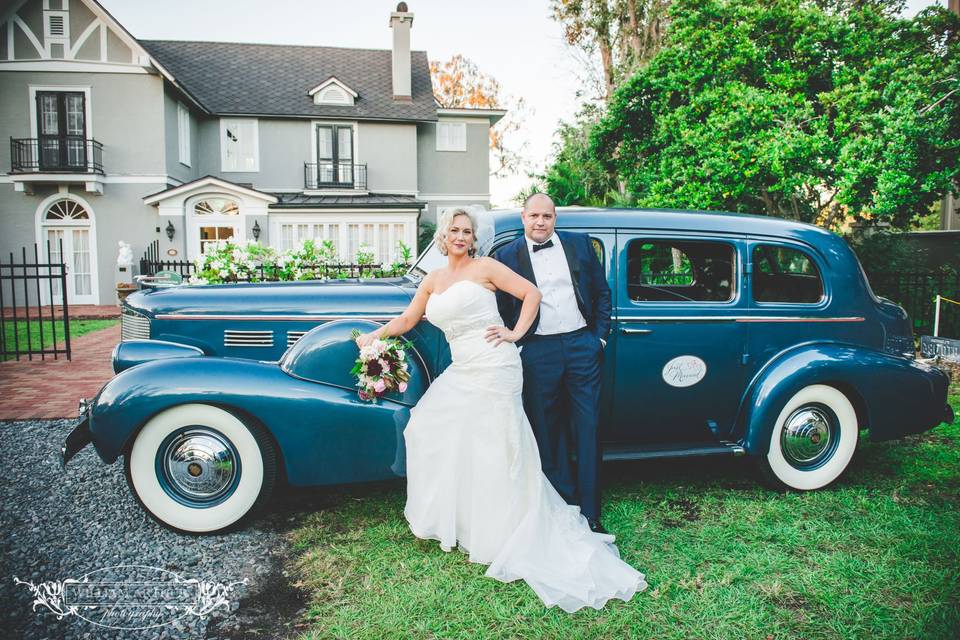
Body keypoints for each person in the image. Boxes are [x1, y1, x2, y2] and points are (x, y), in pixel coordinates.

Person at [356, 207, 646, 612]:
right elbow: (408, 318)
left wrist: (515, 333)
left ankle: (504, 527)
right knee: (424, 426)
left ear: (474, 238)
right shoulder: (434, 280)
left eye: (466, 231)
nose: (460, 236)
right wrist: (373, 334)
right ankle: (462, 518)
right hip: (464, 367)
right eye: (453, 230)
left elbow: (533, 293)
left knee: (495, 444)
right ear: (443, 236)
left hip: (495, 363)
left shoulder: (486, 266)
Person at [493, 193, 612, 533]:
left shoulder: (579, 245)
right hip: (537, 350)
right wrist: (517, 340)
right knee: (546, 430)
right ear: (523, 217)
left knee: (587, 427)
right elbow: (501, 304)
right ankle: (562, 504)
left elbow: (602, 294)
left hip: (581, 346)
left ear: (555, 218)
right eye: (534, 216)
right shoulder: (506, 256)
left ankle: (591, 513)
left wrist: (598, 339)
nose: (540, 222)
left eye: (547, 216)